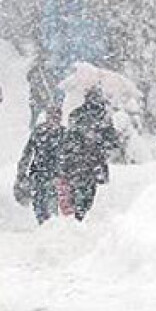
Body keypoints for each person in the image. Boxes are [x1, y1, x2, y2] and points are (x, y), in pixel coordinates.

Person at [61, 87, 120, 221]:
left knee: (79, 191)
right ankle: (83, 215)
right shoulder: (103, 116)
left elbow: (69, 139)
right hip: (94, 162)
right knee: (89, 192)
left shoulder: (76, 114)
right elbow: (112, 140)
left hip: (78, 162)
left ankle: (79, 216)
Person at [15, 106, 66, 224]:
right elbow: (28, 152)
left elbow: (70, 155)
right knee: (39, 200)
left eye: (56, 118)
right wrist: (21, 171)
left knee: (52, 199)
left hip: (55, 174)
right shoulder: (39, 132)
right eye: (52, 117)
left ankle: (51, 223)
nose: (54, 121)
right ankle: (42, 222)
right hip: (38, 172)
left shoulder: (64, 134)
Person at [26, 59, 59, 130]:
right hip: (38, 99)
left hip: (43, 98)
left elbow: (53, 83)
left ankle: (43, 128)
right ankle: (32, 129)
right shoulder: (36, 73)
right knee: (35, 115)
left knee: (44, 114)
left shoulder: (46, 73)